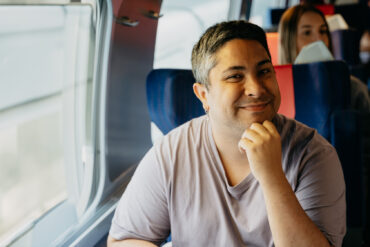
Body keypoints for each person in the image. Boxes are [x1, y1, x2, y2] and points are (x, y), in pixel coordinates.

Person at [108, 21, 346, 247]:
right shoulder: (170, 154)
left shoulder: (314, 155)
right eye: (235, 76)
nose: (256, 89)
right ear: (203, 95)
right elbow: (123, 240)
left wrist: (272, 175)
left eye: (264, 71)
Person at [278, 4, 370, 111]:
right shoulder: (275, 93)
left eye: (323, 31)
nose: (319, 40)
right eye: (307, 33)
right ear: (288, 42)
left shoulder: (351, 88)